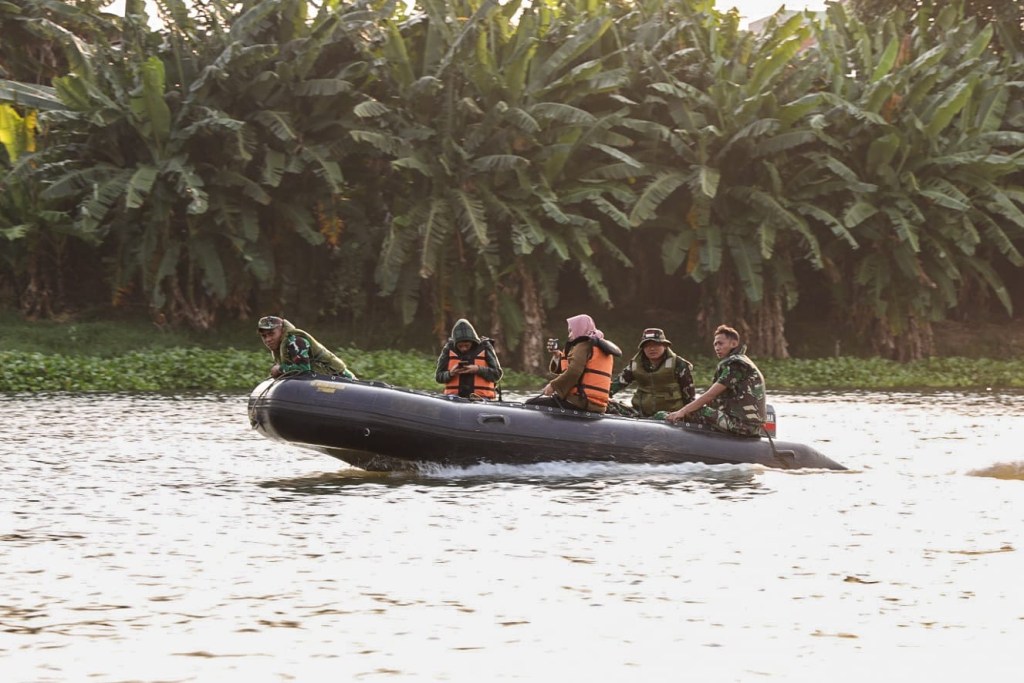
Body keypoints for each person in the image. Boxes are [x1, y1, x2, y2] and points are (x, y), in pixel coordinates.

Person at [665, 324, 766, 437]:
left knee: (695, 411)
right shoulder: (738, 361)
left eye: (720, 343)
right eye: (715, 344)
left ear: (734, 344)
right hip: (744, 424)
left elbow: (710, 395)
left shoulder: (736, 364)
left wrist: (682, 411)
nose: (717, 347)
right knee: (691, 410)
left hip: (743, 426)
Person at [526, 313, 622, 413]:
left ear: (580, 329)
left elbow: (574, 371)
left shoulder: (583, 345)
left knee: (530, 404)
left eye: (571, 331)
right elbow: (569, 368)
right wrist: (556, 355)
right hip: (599, 406)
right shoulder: (601, 347)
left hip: (580, 402)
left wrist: (553, 386)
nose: (569, 335)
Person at [610, 328, 695, 418]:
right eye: (647, 345)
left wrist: (686, 415)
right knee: (608, 405)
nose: (652, 349)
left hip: (670, 415)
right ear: (643, 348)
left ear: (665, 346)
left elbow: (689, 396)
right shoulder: (635, 365)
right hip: (639, 413)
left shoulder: (678, 364)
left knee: (660, 415)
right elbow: (618, 383)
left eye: (656, 344)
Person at [257, 315, 356, 379]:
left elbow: (304, 369)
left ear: (282, 331)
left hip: (340, 377)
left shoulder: (295, 341)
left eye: (271, 334)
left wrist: (280, 369)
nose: (268, 339)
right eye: (264, 336)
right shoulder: (278, 347)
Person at [434, 318, 503, 399]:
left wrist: (477, 369)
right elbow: (438, 377)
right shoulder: (448, 348)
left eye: (467, 345)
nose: (464, 349)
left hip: (481, 399)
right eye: (460, 346)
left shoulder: (485, 347)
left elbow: (497, 374)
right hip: (453, 400)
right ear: (455, 344)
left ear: (472, 342)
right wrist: (451, 373)